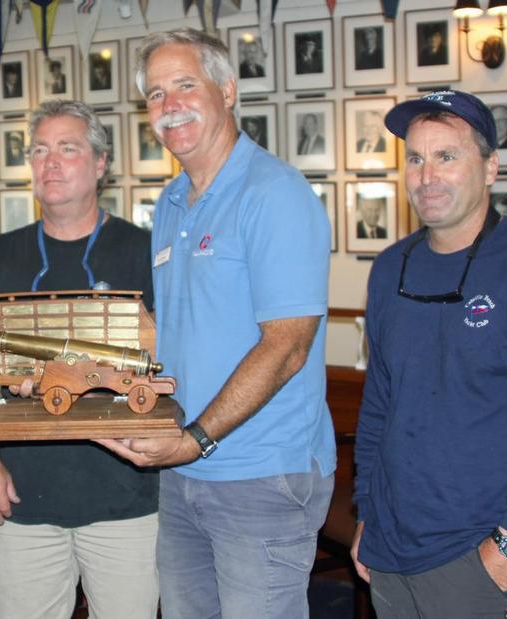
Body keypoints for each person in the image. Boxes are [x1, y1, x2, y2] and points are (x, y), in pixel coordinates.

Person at [100, 28, 335, 619]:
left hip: (260, 473)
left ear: (227, 91)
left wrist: (197, 438)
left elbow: (287, 347)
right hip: (183, 472)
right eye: (154, 94)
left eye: (185, 84)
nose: (168, 104)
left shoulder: (274, 193)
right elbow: (181, 332)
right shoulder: (172, 203)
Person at [351, 89, 507, 618]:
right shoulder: (390, 268)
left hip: (480, 556)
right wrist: (367, 516)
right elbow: (380, 405)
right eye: (416, 158)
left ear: (490, 168)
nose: (427, 176)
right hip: (389, 552)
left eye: (447, 156)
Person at [0, 99, 159, 619]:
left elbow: (173, 358)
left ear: (100, 163)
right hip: (25, 500)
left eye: (68, 149)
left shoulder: (146, 252)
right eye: (40, 150)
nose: (51, 162)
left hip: (127, 499)